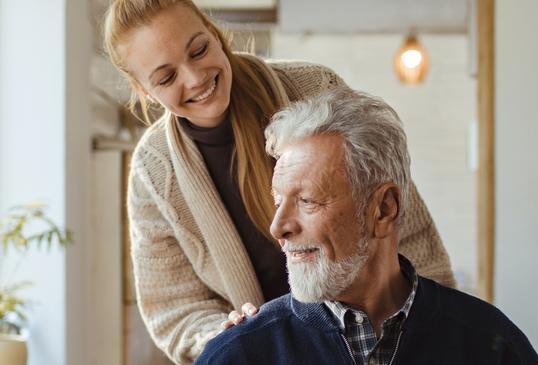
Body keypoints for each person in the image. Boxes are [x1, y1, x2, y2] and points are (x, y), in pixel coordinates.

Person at [103, 1, 455, 363]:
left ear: (214, 33)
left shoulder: (314, 88)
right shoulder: (153, 169)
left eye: (199, 49)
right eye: (166, 78)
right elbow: (175, 308)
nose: (194, 78)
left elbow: (401, 226)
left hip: (375, 342)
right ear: (144, 90)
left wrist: (435, 325)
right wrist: (224, 333)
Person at [195, 88, 538, 365]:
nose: (278, 227)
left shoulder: (489, 343)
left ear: (383, 209)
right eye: (278, 202)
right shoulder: (237, 355)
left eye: (307, 201)